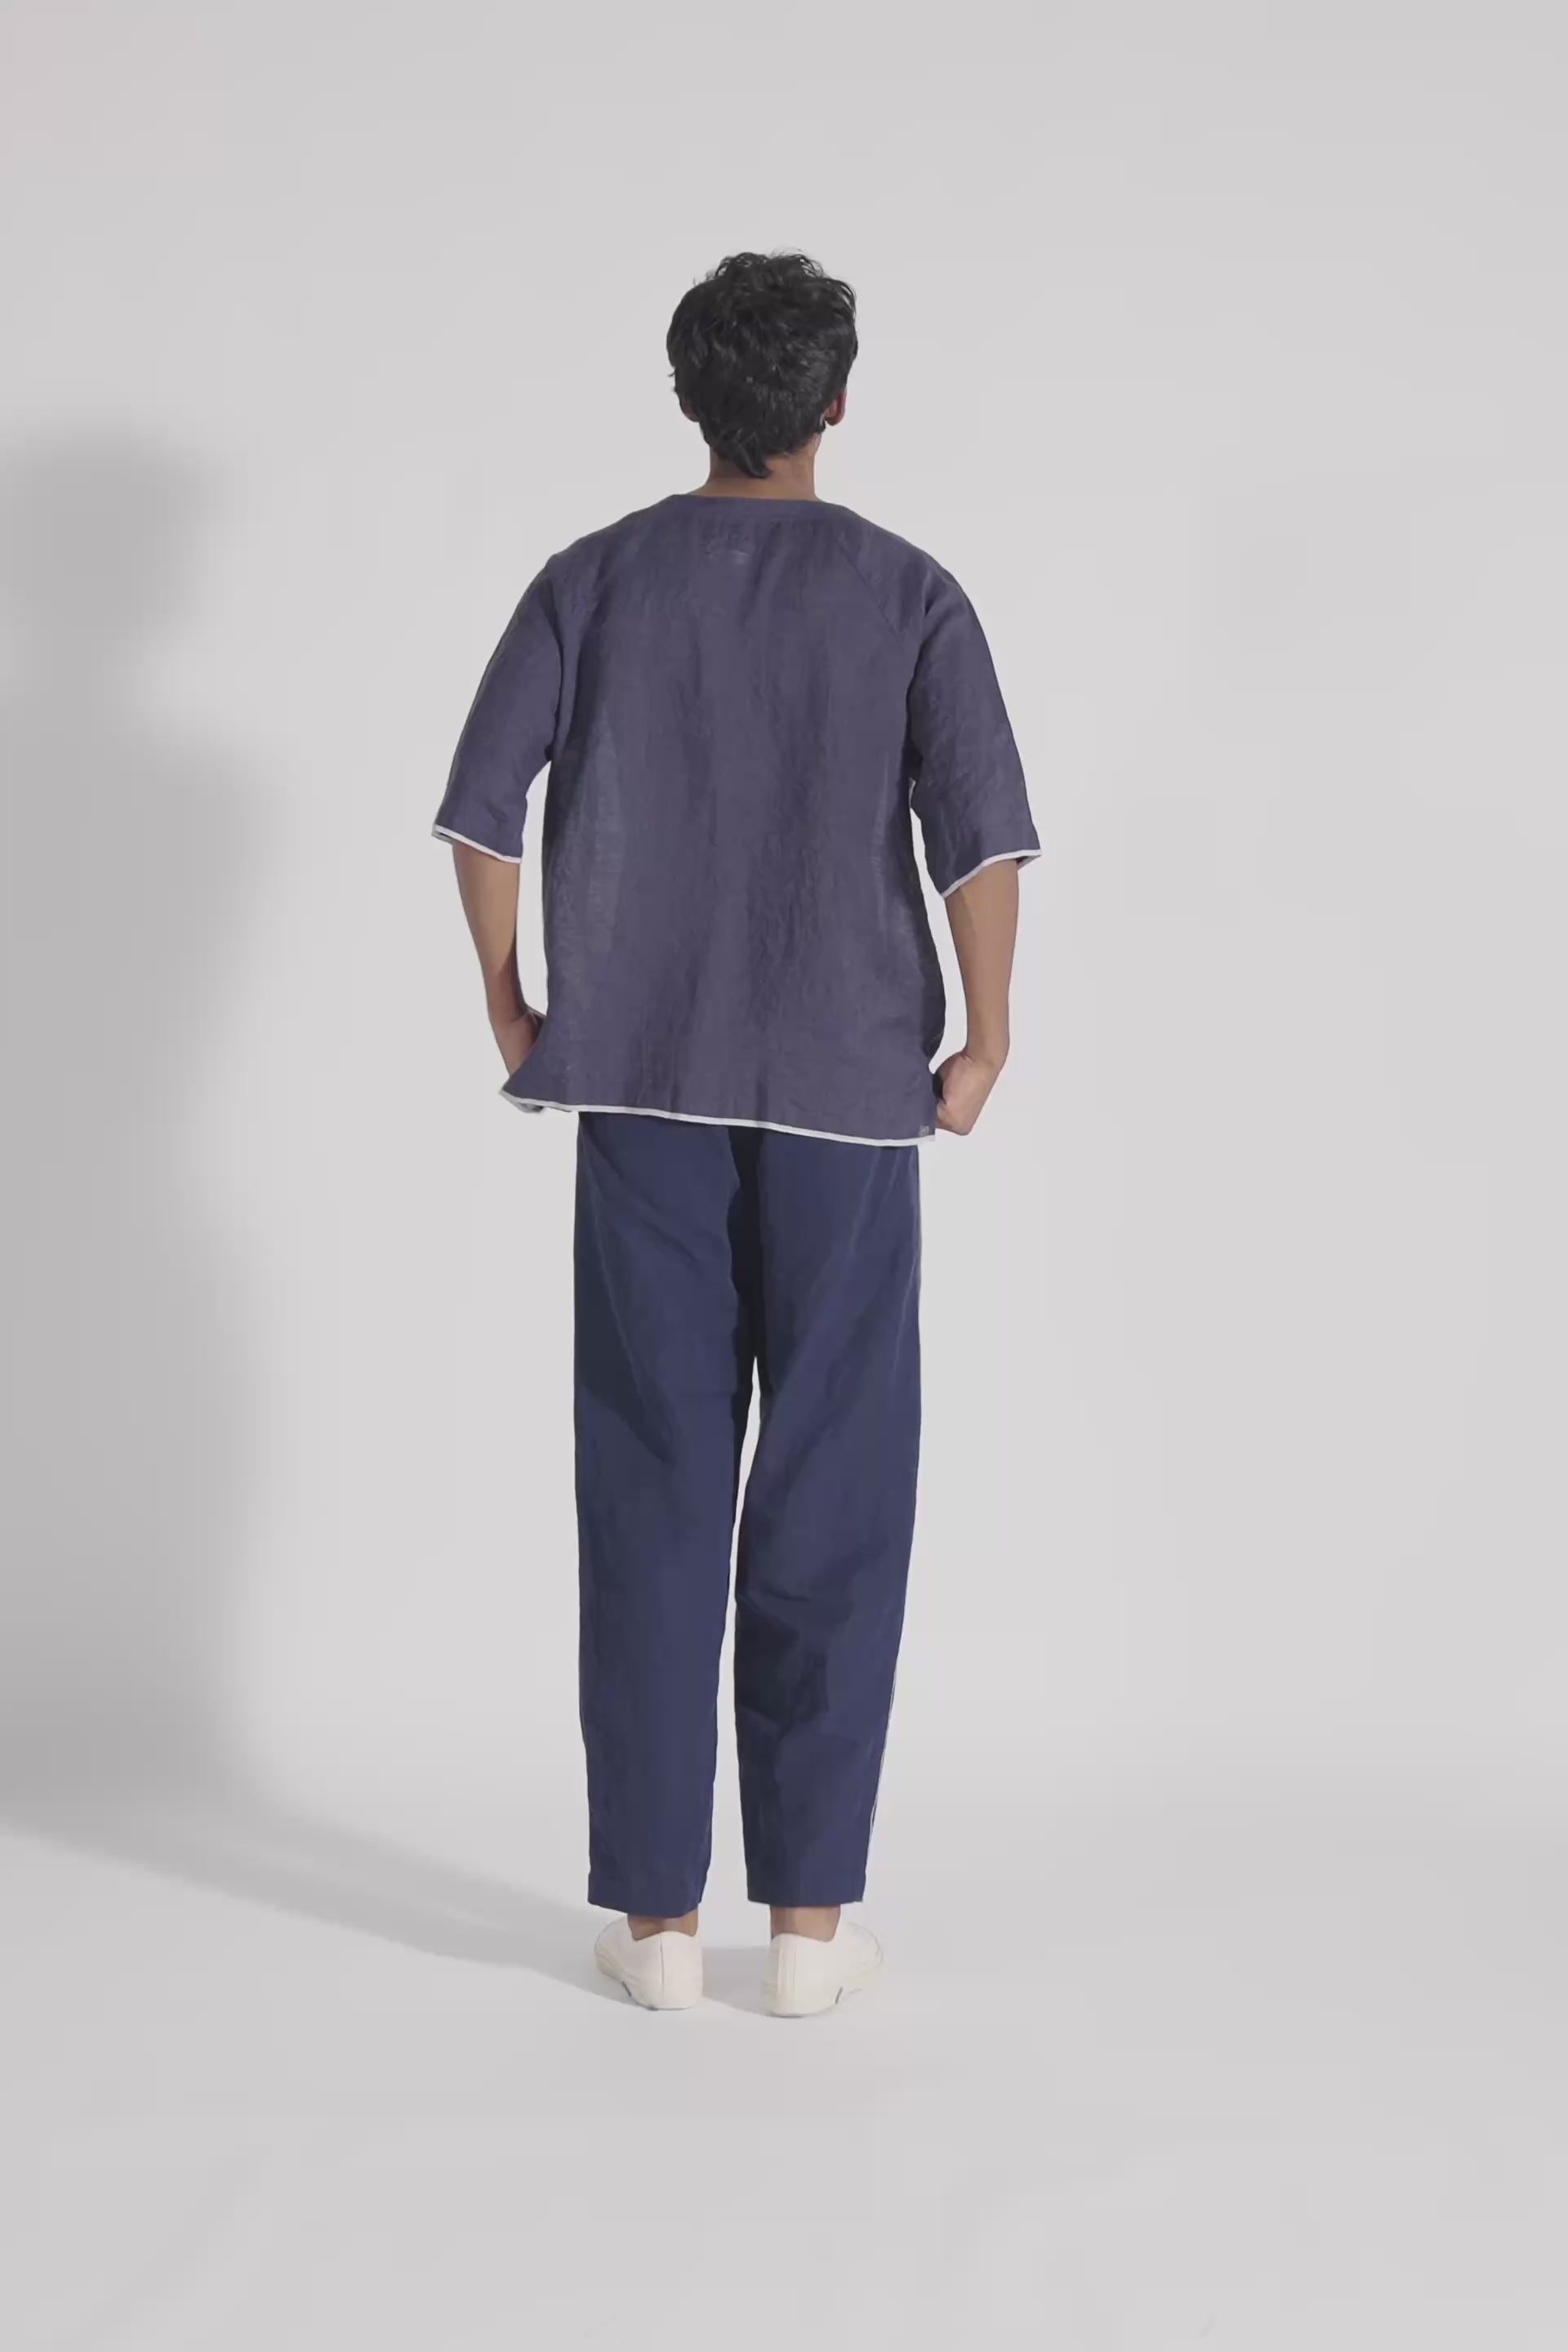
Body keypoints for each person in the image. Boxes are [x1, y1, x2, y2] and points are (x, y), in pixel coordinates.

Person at [434, 252, 1037, 2016]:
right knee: (835, 1489)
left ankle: (656, 1930)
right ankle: (810, 1934)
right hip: (850, 1097)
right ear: (837, 402)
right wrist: (989, 1035)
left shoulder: (593, 579)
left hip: (640, 1088)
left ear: (688, 395)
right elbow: (980, 840)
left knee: (651, 1482)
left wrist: (512, 1000)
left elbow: (480, 812)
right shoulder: (910, 592)